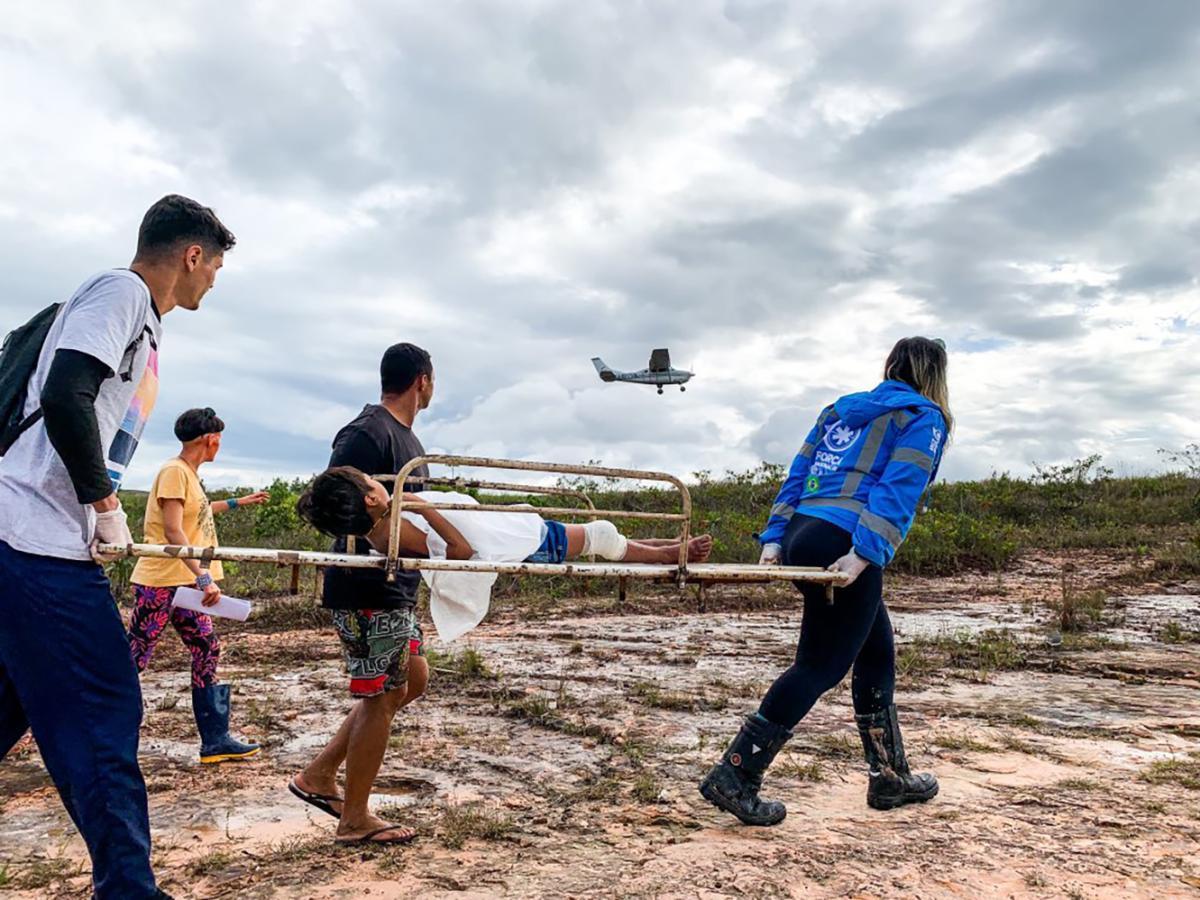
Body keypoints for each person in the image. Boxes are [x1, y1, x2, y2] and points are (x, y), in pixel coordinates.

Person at [0, 195, 234, 898]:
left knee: (13, 701)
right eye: (215, 265)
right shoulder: (122, 291)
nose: (214, 281)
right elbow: (70, 392)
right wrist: (104, 506)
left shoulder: (142, 323)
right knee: (104, 706)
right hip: (36, 534)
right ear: (192, 255)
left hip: (25, 537)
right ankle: (129, 887)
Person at [699, 336, 951, 826]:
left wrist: (776, 538)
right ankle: (736, 774)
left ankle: (890, 776)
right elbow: (899, 486)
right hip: (845, 540)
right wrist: (865, 553)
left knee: (876, 649)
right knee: (820, 664)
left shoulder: (838, 411)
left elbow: (799, 473)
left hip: (803, 535)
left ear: (891, 367)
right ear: (934, 375)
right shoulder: (923, 417)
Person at [287, 342, 436, 845]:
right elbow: (331, 501)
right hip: (366, 586)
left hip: (398, 585)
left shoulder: (408, 442)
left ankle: (320, 775)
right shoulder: (366, 433)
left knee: (410, 682)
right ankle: (354, 818)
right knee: (385, 694)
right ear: (423, 380)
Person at [294, 466, 714, 639]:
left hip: (511, 528)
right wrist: (425, 506)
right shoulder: (393, 528)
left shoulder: (381, 526)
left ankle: (671, 548)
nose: (377, 479)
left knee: (598, 535)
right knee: (601, 535)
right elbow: (459, 551)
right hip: (517, 545)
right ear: (370, 499)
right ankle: (667, 554)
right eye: (371, 479)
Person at [128, 407, 268, 763]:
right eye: (218, 438)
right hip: (162, 581)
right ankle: (98, 730)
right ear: (210, 439)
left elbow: (200, 510)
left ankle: (215, 739)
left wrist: (240, 501)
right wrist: (202, 576)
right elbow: (174, 531)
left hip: (184, 586)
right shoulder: (174, 472)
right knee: (135, 657)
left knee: (207, 647)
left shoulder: (188, 475)